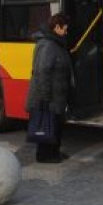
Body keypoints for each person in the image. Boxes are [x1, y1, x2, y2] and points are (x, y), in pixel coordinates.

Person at [25, 13, 73, 163]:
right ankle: (46, 156)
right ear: (57, 27)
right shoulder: (48, 45)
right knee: (48, 125)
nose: (66, 31)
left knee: (56, 125)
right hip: (48, 96)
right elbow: (42, 71)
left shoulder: (55, 43)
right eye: (65, 28)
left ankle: (54, 153)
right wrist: (45, 97)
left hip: (56, 94)